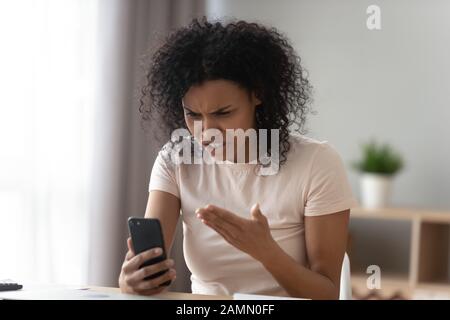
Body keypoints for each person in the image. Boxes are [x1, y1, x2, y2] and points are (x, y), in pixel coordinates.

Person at [118, 17, 358, 299]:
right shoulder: (177, 160)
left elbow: (327, 292)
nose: (206, 132)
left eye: (223, 113)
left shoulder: (316, 163)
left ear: (258, 94)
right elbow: (144, 271)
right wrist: (130, 281)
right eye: (193, 115)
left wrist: (266, 252)